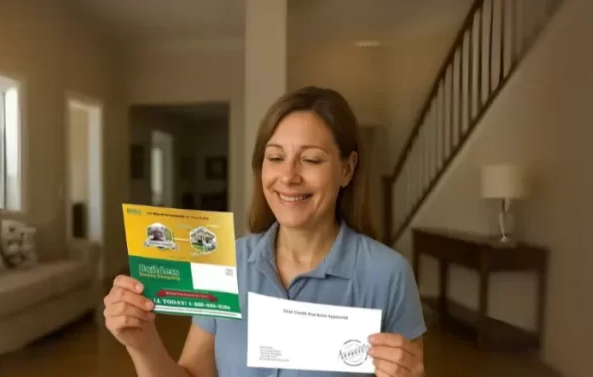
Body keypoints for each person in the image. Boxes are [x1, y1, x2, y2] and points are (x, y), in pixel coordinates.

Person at [103, 87, 426, 377]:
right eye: (275, 157)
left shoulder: (388, 275)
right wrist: (142, 344)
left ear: (347, 168)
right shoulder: (227, 262)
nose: (288, 176)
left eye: (311, 159)